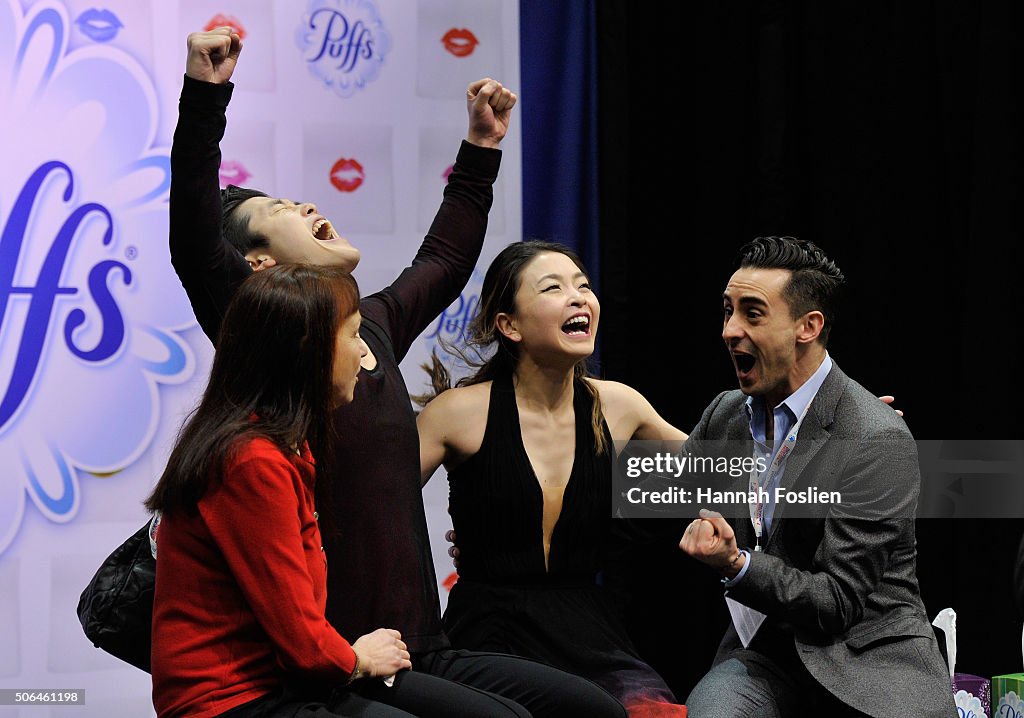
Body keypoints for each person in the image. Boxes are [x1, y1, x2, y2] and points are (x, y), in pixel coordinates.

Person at [168, 27, 626, 718]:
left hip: (421, 640)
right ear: (256, 265)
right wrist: (205, 96)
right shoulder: (256, 326)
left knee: (595, 711)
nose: (312, 207)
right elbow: (196, 234)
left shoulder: (373, 322)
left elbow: (443, 259)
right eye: (286, 212)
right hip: (339, 651)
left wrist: (480, 150)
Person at [674, 236, 954, 716]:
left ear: (808, 326)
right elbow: (659, 494)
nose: (729, 330)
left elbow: (837, 602)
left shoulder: (874, 437)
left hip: (867, 658)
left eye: (752, 313)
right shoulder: (727, 414)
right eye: (727, 311)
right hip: (764, 658)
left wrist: (735, 564)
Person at [417, 241, 689, 717]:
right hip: (485, 632)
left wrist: (861, 445)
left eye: (584, 286)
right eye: (554, 288)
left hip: (589, 632)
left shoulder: (619, 405)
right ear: (510, 325)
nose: (579, 297)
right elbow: (371, 507)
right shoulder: (457, 413)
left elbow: (733, 475)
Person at [147, 264, 420, 716]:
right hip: (230, 700)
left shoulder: (286, 446)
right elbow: (303, 642)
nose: (363, 352)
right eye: (353, 336)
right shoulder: (250, 460)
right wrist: (357, 659)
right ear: (306, 350)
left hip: (283, 682)